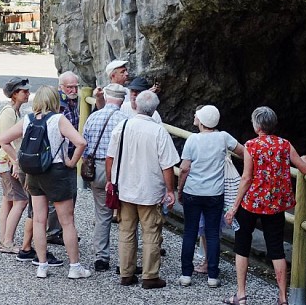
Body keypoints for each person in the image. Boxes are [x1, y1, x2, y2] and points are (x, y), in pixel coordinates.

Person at [223, 106, 306, 305]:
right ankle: (283, 299)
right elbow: (305, 169)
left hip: (251, 202)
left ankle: (241, 295)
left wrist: (234, 206)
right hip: (275, 205)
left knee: (242, 246)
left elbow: (246, 178)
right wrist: (304, 159)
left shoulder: (251, 146)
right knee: (276, 249)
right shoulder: (284, 144)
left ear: (257, 126)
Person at [0, 86, 91, 280]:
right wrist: (72, 162)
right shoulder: (58, 119)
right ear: (54, 101)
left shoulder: (28, 120)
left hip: (34, 173)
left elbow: (3, 140)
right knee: (67, 221)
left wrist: (17, 160)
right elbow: (81, 142)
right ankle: (75, 267)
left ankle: (42, 265)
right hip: (56, 172)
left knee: (39, 220)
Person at [106, 91, 178, 289]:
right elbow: (167, 166)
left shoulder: (122, 126)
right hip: (150, 190)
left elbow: (110, 157)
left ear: (136, 106)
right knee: (151, 233)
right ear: (154, 110)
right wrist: (170, 191)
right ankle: (150, 275)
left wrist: (111, 181)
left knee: (126, 231)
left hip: (125, 189)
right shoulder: (158, 132)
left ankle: (126, 273)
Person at [177, 105, 244, 288]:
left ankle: (186, 274)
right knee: (213, 233)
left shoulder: (192, 139)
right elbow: (244, 152)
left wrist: (180, 189)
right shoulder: (223, 137)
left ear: (202, 120)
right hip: (215, 193)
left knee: (190, 231)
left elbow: (184, 169)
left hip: (193, 191)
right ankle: (213, 276)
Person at [81, 83, 128, 272]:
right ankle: (126, 259)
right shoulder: (125, 120)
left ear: (107, 97)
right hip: (119, 170)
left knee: (102, 214)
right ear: (122, 100)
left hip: (96, 169)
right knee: (126, 214)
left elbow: (84, 142)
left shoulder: (93, 117)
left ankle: (102, 257)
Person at [0, 77, 31, 254]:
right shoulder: (9, 113)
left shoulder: (14, 111)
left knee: (8, 201)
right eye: (24, 91)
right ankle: (7, 241)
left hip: (5, 162)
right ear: (15, 94)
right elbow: (5, 141)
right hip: (8, 162)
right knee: (21, 200)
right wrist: (15, 162)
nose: (28, 94)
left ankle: (3, 239)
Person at [46, 71, 81, 244]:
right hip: (61, 157)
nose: (74, 89)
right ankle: (53, 231)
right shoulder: (58, 105)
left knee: (70, 194)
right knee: (58, 197)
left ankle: (62, 229)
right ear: (61, 87)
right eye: (70, 87)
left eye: (76, 86)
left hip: (71, 154)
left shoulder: (74, 101)